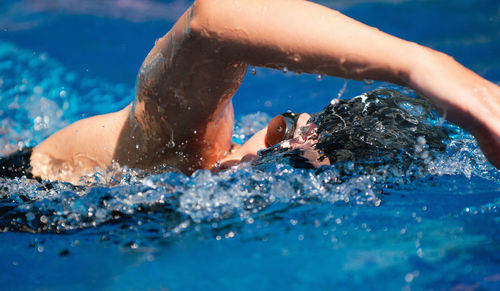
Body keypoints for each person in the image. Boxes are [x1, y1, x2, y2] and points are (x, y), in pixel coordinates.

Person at [2, 0, 499, 184]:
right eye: (290, 161)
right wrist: (424, 64)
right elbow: (210, 20)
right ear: (278, 128)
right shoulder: (191, 148)